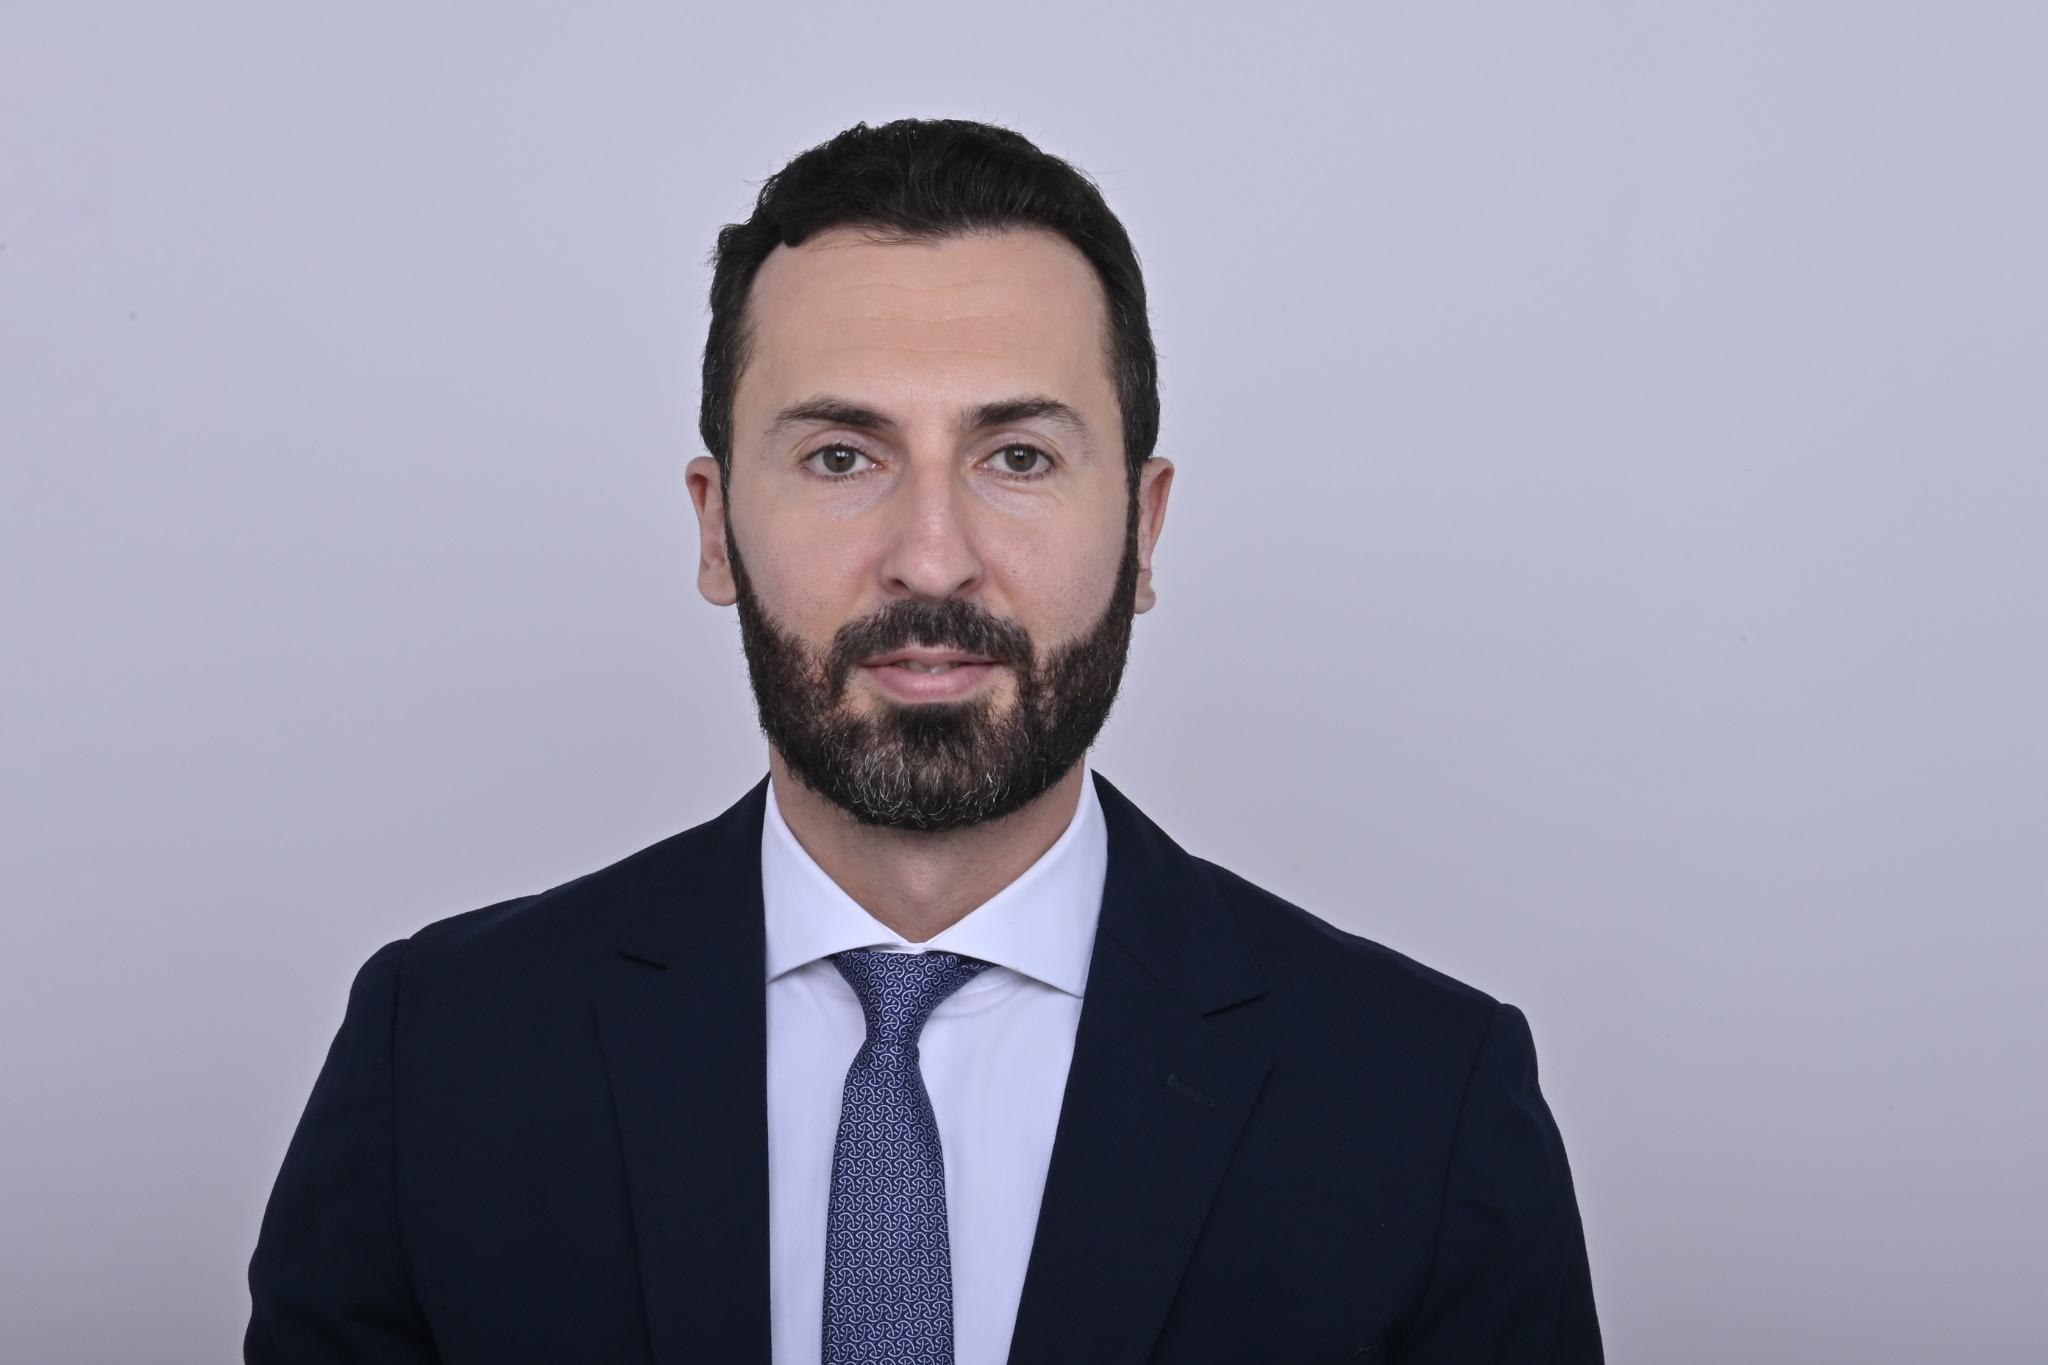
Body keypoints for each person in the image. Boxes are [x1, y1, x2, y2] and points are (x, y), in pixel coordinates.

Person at [245, 117, 1602, 1365]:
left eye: (1017, 457)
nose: (931, 557)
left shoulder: (1427, 1110)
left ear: (1145, 529)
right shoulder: (441, 1058)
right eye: (844, 456)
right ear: (717, 527)